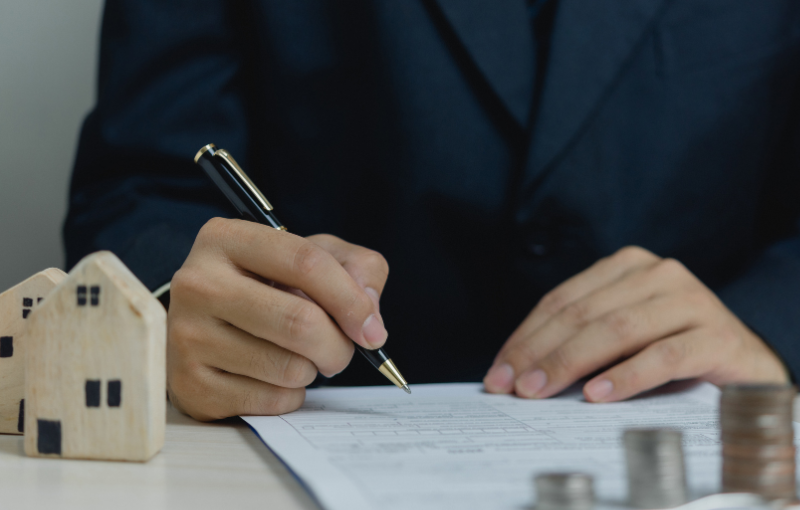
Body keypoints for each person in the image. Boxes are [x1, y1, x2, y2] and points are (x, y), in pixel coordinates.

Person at [66, 1, 800, 421]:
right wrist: (172, 306)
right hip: (290, 450)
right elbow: (139, 184)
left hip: (707, 444)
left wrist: (772, 326)